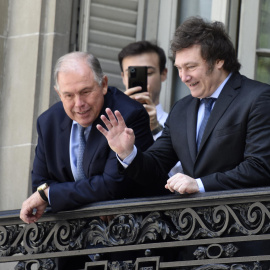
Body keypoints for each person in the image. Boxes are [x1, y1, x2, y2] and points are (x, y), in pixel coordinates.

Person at [97, 17, 270, 195]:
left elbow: (260, 167)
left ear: (219, 61)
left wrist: (200, 184)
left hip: (243, 219)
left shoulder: (259, 98)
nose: (183, 77)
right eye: (179, 68)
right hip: (191, 221)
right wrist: (127, 152)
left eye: (191, 67)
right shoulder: (181, 109)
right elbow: (155, 166)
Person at [20, 51, 169, 225]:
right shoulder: (48, 122)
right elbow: (40, 184)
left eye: (85, 92)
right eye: (68, 95)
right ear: (59, 94)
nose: (79, 103)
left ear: (104, 84)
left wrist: (50, 195)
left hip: (129, 236)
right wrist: (50, 194)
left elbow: (112, 185)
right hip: (70, 239)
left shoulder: (128, 114)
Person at [118, 41, 182, 175]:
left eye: (149, 72)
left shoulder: (179, 124)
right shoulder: (108, 119)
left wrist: (155, 128)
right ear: (123, 77)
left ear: (163, 74)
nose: (143, 80)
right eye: (133, 73)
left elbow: (179, 173)